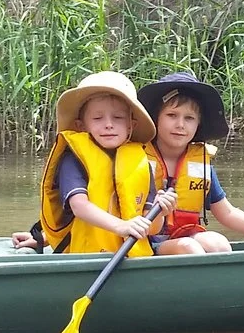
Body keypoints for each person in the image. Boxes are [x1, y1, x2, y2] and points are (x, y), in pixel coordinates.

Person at [135, 72, 244, 254]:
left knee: (219, 244)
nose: (180, 124)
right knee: (189, 248)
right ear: (156, 119)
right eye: (172, 115)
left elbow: (227, 213)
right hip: (144, 243)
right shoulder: (137, 159)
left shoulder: (201, 164)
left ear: (198, 124)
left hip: (184, 236)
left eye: (189, 118)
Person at [17, 71, 177, 254]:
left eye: (117, 118)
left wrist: (161, 211)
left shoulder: (141, 163)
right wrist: (121, 227)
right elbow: (79, 206)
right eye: (97, 118)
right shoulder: (73, 159)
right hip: (85, 257)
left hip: (128, 258)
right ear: (81, 126)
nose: (108, 124)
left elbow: (152, 229)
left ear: (131, 126)